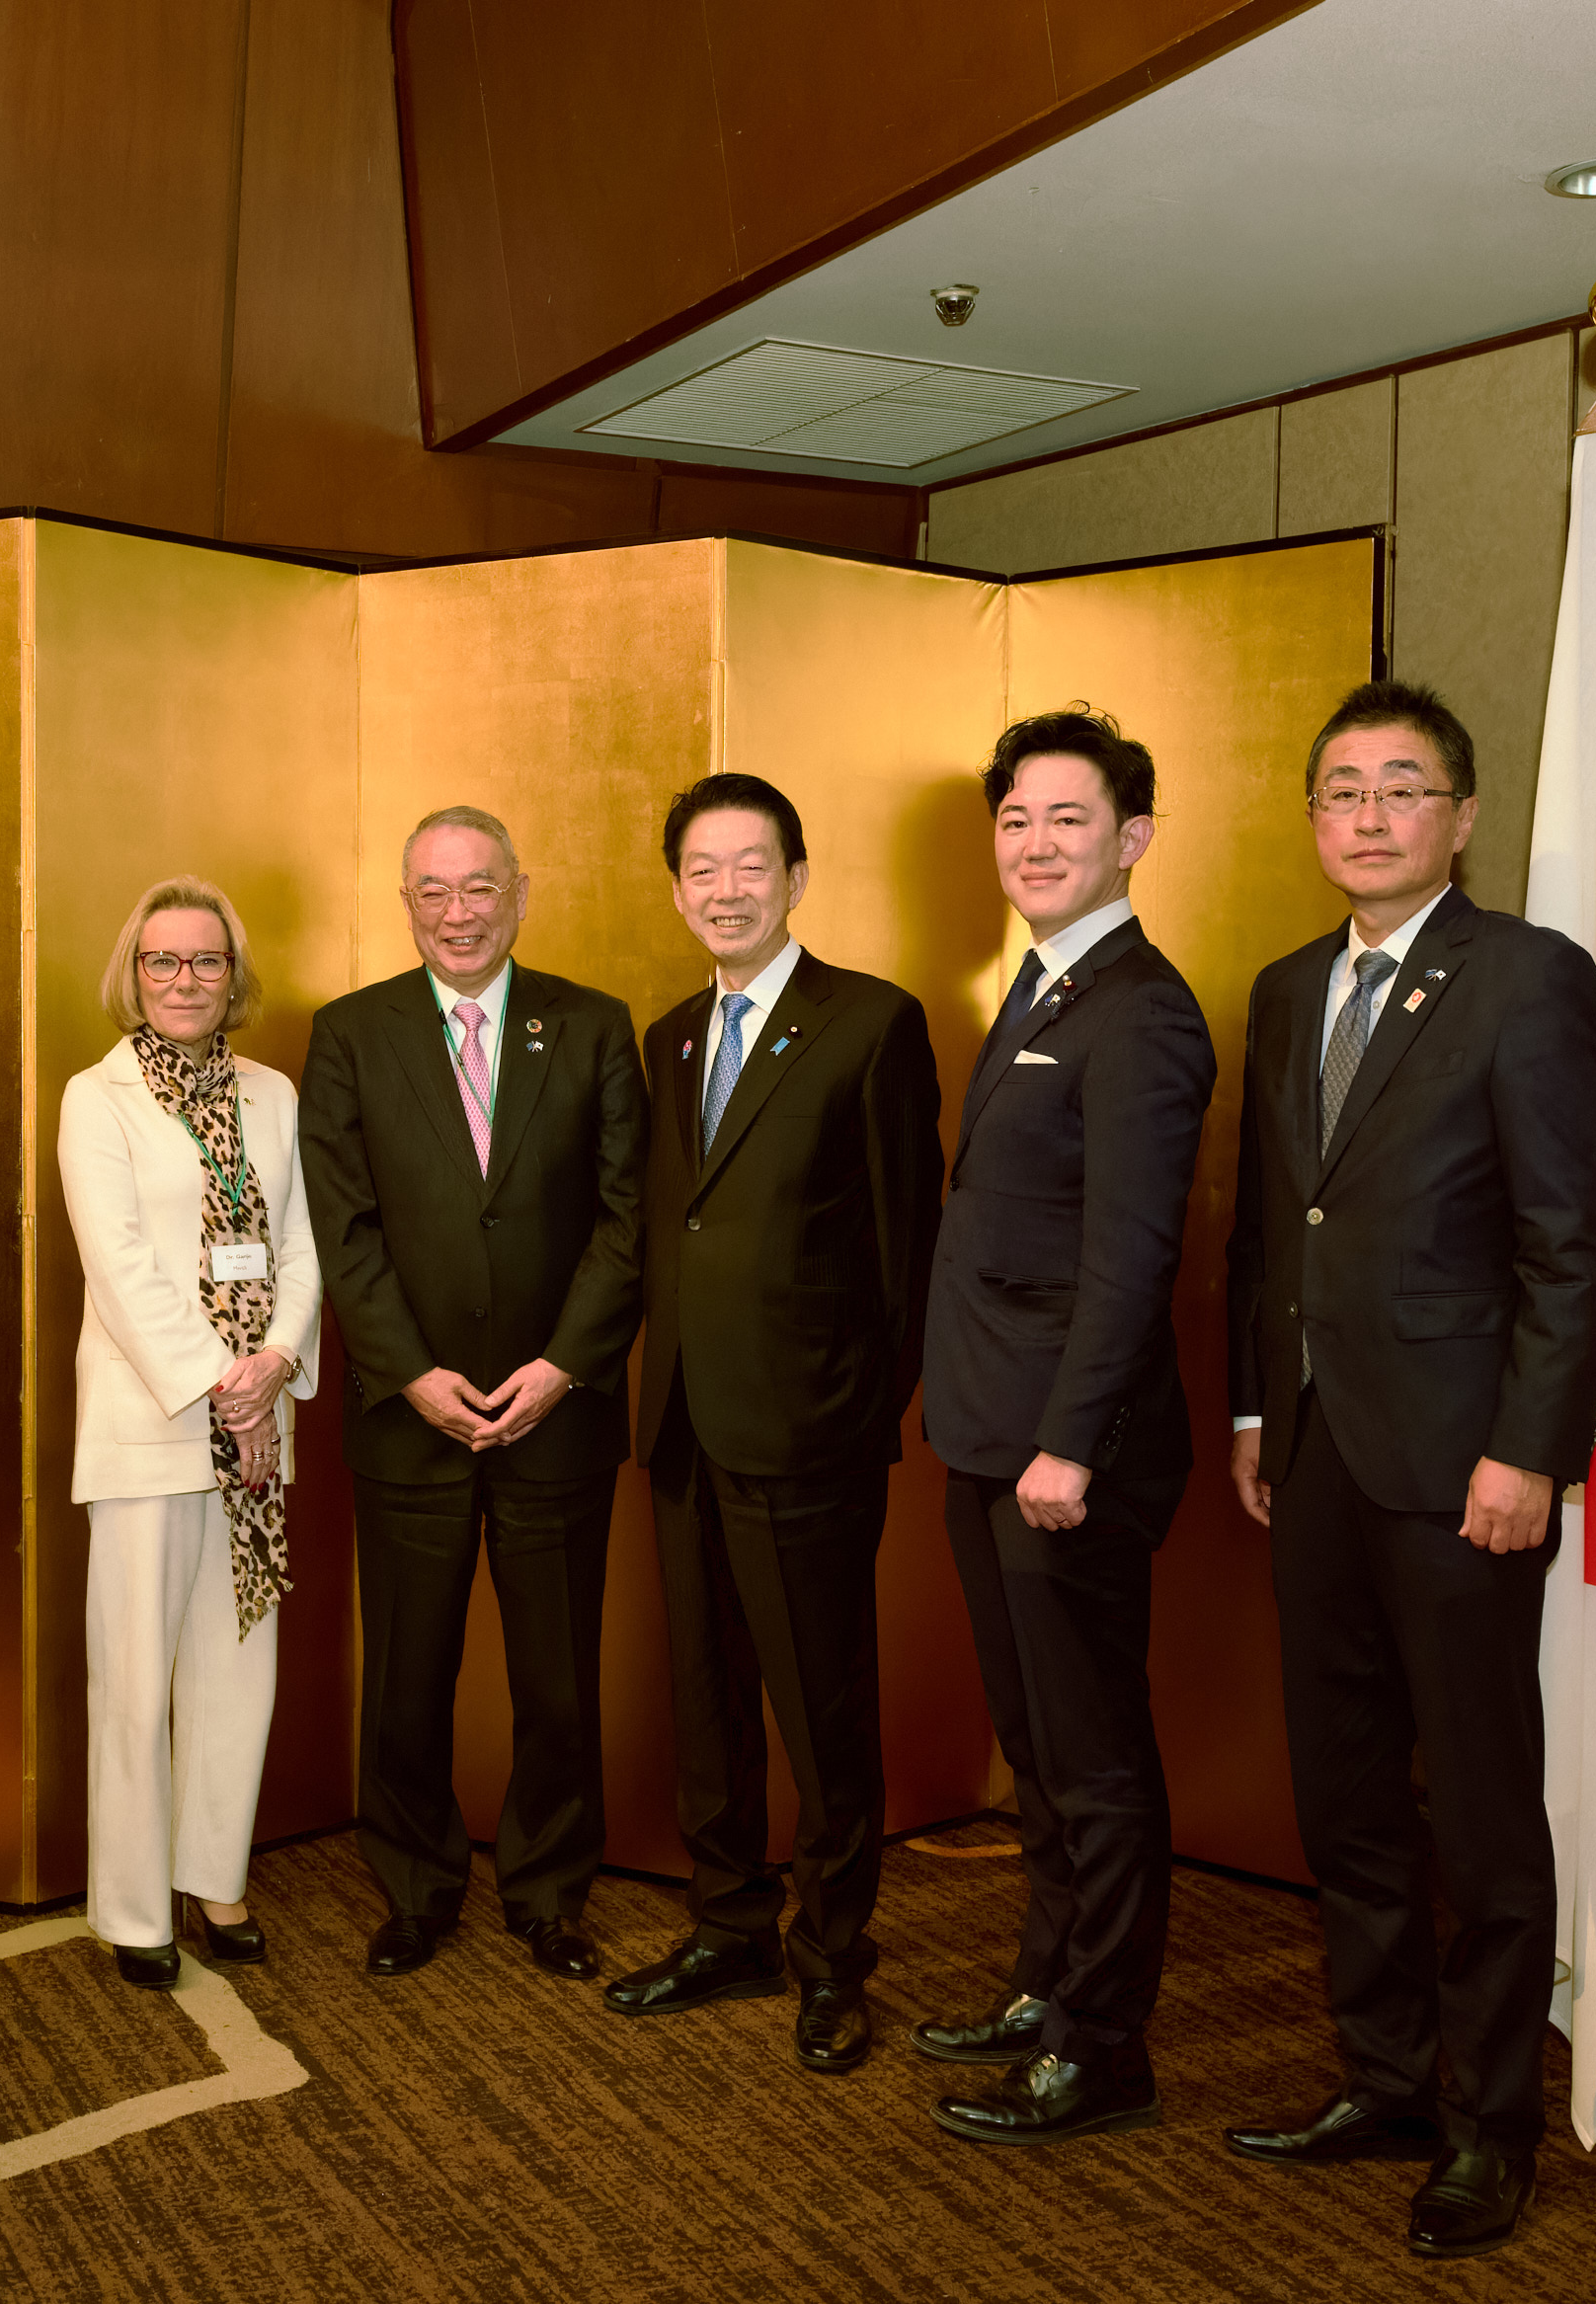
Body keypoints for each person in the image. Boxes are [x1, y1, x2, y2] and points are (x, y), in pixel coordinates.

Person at [1223, 679, 1596, 2260]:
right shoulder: (1279, 986)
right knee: (1345, 1797)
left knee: (1476, 1806)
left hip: (1467, 1468)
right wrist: (1259, 1414)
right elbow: (1271, 1226)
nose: (1368, 815)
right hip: (1314, 1456)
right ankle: (1382, 2078)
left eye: (1401, 788)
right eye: (1340, 789)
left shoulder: (1527, 979)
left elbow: (1568, 1241)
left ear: (1460, 815)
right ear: (1313, 818)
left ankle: (1491, 2123)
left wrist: (1532, 1448)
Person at [606, 772, 942, 2075]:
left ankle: (831, 1955)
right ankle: (728, 1924)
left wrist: (862, 1416)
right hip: (687, 1419)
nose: (726, 889)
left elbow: (907, 1245)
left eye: (753, 865)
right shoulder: (672, 1035)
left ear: (798, 876)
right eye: (702, 868)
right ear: (678, 886)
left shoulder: (870, 1023)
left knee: (821, 1707)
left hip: (812, 1433)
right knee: (707, 1699)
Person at [912, 708, 1215, 2147]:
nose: (1036, 845)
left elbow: (1131, 1256)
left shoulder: (1142, 1011)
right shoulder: (1035, 990)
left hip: (1062, 1456)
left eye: (1069, 821)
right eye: (1017, 821)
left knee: (1095, 1760)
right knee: (1036, 1742)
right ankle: (1045, 1985)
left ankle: (1108, 2048)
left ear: (1133, 839)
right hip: (989, 1437)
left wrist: (1071, 1444)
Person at [299, 806, 646, 1982]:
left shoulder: (593, 1027)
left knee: (556, 1677)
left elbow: (623, 1217)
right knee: (405, 1675)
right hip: (412, 1417)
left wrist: (561, 1365)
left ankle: (550, 1890)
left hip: (558, 1410)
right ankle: (412, 1884)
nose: (456, 911)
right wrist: (406, 1371)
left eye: (478, 887)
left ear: (518, 890)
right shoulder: (349, 1033)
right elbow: (340, 1226)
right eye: (431, 891)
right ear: (404, 901)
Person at [58, 877, 322, 1988]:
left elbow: (301, 1245)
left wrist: (275, 1362)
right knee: (133, 1673)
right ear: (134, 971)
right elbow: (116, 1267)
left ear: (232, 974)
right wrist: (224, 1381)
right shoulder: (96, 1096)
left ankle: (215, 1872)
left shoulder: (272, 1093)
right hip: (153, 1420)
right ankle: (130, 1903)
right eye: (162, 961)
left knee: (236, 1661)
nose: (183, 980)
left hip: (255, 1424)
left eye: (204, 961)